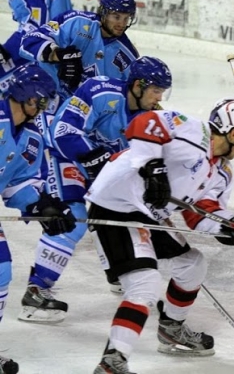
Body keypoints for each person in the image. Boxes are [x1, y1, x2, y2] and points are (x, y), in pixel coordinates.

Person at [86, 99, 234, 374]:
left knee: (192, 265)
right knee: (144, 284)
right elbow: (142, 123)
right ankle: (112, 363)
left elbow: (199, 216)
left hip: (149, 215)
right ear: (233, 133)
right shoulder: (192, 130)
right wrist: (153, 167)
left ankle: (171, 329)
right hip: (116, 205)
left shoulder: (221, 173)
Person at [16, 56, 173, 323]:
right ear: (138, 85)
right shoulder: (100, 90)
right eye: (156, 90)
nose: (159, 97)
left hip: (106, 170)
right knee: (72, 218)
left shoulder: (153, 117)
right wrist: (93, 156)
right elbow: (62, 130)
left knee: (128, 218)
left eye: (162, 91)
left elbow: (149, 159)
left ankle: (122, 272)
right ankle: (36, 290)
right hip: (66, 158)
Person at [0, 63, 76, 374]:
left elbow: (18, 184)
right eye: (41, 101)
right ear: (28, 96)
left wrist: (44, 206)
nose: (43, 107)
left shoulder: (30, 137)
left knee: (2, 269)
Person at [20, 0, 140, 92]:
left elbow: (134, 95)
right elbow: (28, 41)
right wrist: (57, 55)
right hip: (47, 98)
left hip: (86, 113)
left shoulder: (127, 54)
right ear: (103, 12)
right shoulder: (75, 22)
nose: (122, 24)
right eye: (116, 17)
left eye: (126, 18)